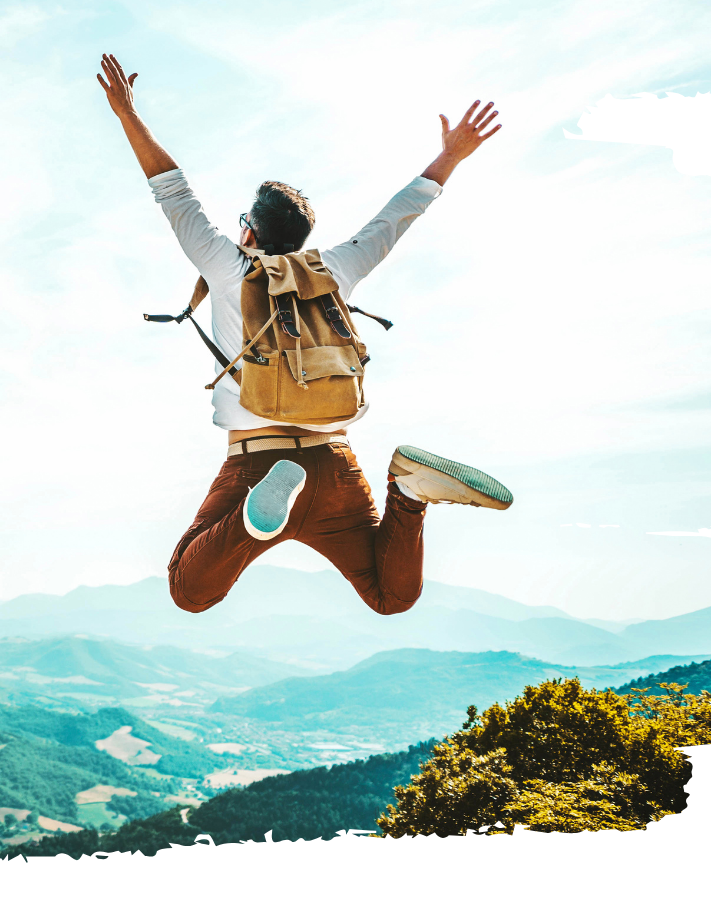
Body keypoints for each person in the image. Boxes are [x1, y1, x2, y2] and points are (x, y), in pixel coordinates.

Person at [95, 53, 513, 617]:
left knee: (189, 589)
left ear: (248, 228)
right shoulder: (333, 270)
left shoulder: (230, 266)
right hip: (335, 462)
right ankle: (409, 496)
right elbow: (395, 218)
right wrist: (451, 155)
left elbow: (172, 190)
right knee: (391, 597)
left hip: (256, 461)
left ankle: (253, 522)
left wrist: (126, 113)